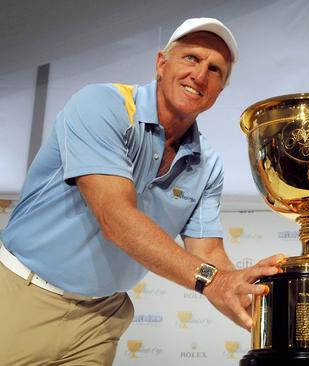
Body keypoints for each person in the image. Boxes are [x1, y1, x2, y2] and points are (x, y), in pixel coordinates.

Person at [0, 17, 284, 365]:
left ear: (219, 91)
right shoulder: (103, 105)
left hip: (99, 319)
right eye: (191, 58)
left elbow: (208, 251)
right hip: (21, 296)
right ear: (161, 63)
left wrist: (268, 313)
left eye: (215, 70)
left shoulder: (208, 163)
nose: (200, 75)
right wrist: (216, 281)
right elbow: (115, 217)